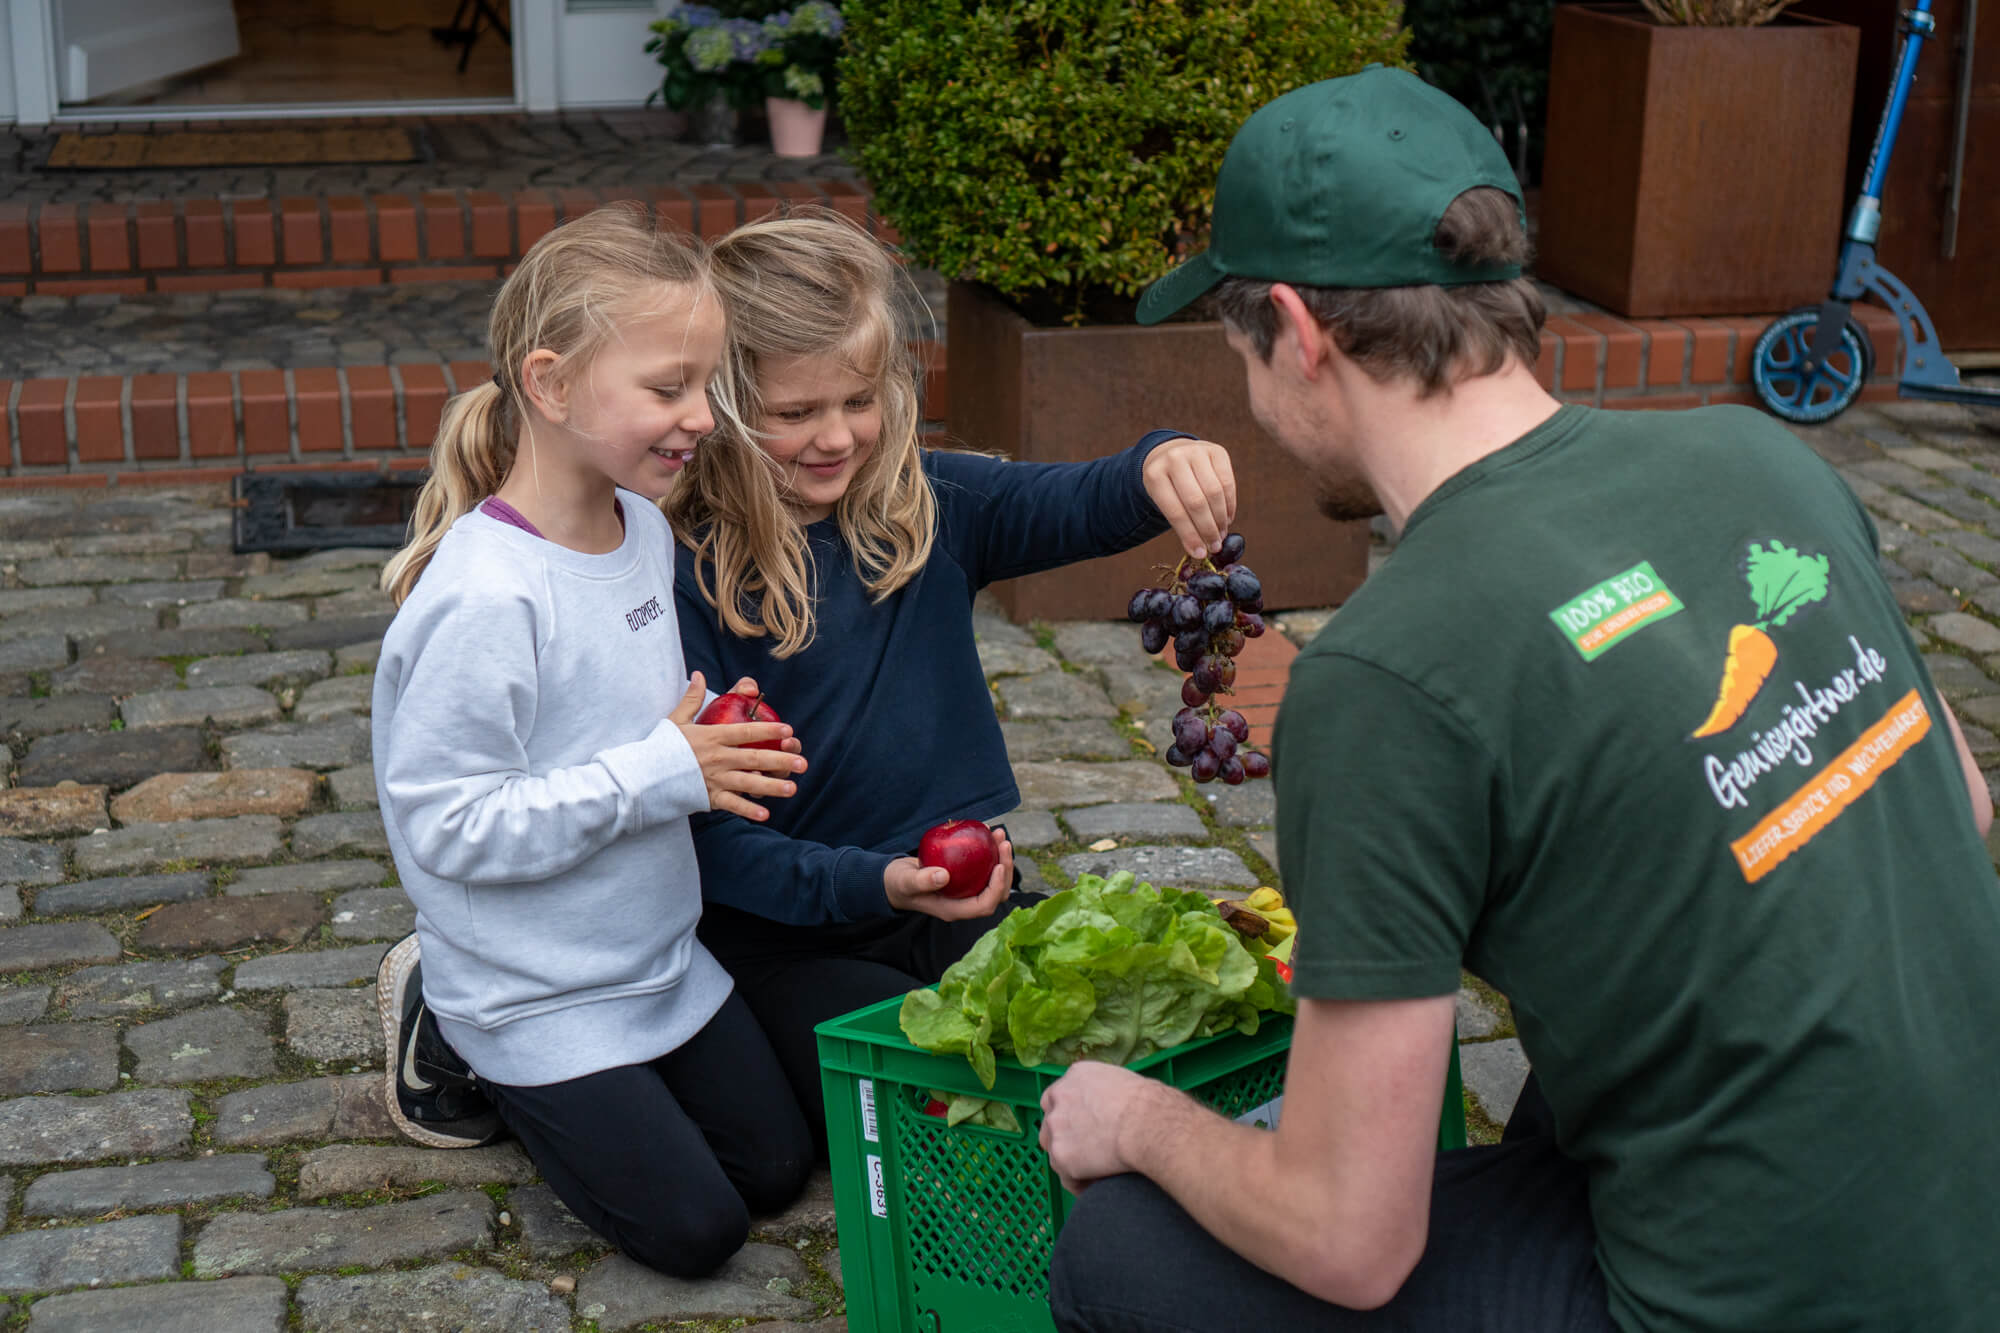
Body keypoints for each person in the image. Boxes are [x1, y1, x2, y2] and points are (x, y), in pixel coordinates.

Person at [1037, 65, 2000, 1332]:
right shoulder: (1755, 452)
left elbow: (1348, 1243)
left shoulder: (1385, 672)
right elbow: (1963, 801)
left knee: (1117, 1254)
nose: (1252, 401)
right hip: (1962, 1229)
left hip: (1757, 1303)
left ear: (1295, 326)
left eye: (1236, 353)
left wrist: (1138, 1118)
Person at [664, 211, 1240, 1145]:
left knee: (1076, 1052)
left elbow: (1082, 498)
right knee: (932, 1110)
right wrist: (876, 883)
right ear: (721, 411)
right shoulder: (682, 570)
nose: (837, 436)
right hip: (780, 931)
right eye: (794, 413)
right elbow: (706, 845)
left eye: (857, 400)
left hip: (952, 895)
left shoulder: (929, 506)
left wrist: (1162, 459)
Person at [369, 204, 815, 1279]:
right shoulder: (484, 597)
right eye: (667, 388)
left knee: (774, 1169)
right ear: (552, 384)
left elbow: (611, 734)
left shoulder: (643, 526)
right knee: (695, 1233)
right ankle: (453, 1030)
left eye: (704, 386)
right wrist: (665, 768)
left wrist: (702, 738)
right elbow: (448, 826)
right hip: (532, 989)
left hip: (651, 958)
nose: (702, 417)